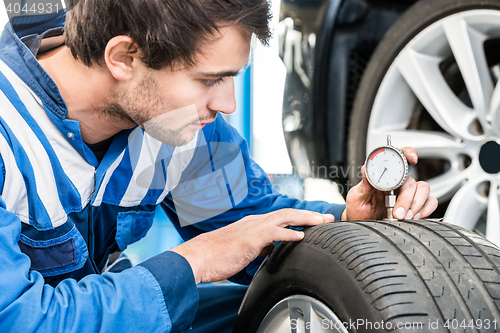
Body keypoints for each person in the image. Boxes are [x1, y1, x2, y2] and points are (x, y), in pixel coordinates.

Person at [0, 0, 437, 332]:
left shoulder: (180, 126)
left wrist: (349, 223)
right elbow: (23, 320)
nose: (226, 104)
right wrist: (197, 259)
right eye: (209, 80)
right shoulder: (9, 137)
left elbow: (253, 225)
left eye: (232, 78)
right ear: (124, 59)